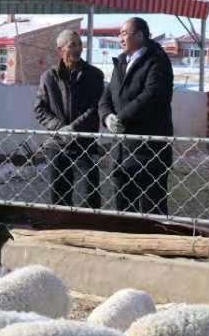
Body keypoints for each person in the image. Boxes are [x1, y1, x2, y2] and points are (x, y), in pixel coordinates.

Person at [98, 17, 173, 215]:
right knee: (124, 212)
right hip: (121, 152)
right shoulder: (121, 62)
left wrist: (121, 118)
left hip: (149, 152)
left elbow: (151, 96)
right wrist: (107, 117)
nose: (120, 38)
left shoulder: (157, 60)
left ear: (139, 35)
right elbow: (106, 96)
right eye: (119, 34)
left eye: (124, 33)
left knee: (152, 211)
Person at [34, 29, 104, 208]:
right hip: (57, 145)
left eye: (79, 44)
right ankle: (63, 226)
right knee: (59, 198)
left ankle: (88, 225)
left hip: (84, 144)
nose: (78, 49)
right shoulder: (48, 77)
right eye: (72, 45)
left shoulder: (95, 75)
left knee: (90, 196)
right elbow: (40, 109)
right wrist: (60, 128)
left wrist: (73, 129)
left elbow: (95, 107)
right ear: (60, 50)